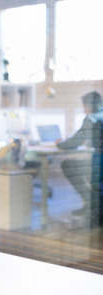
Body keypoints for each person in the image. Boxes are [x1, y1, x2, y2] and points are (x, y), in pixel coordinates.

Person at [57, 91, 103, 225]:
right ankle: (92, 205)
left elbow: (74, 142)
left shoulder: (91, 119)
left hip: (99, 161)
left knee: (68, 165)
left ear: (88, 106)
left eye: (84, 106)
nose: (84, 110)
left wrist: (59, 144)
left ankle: (92, 205)